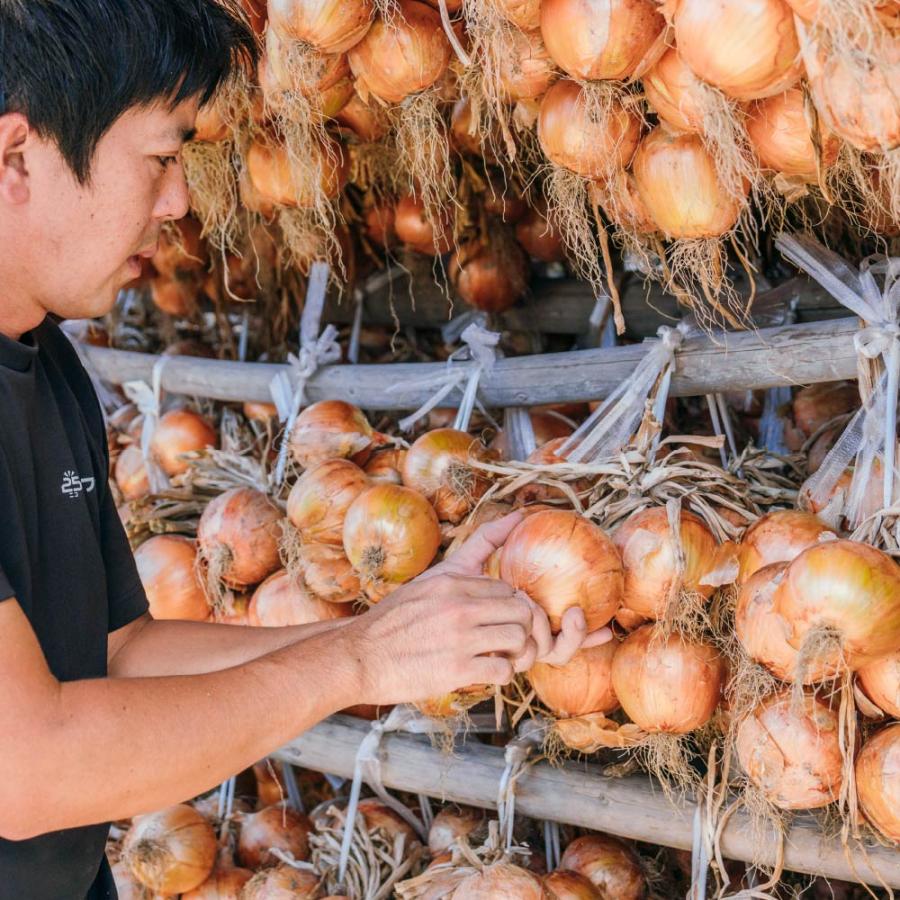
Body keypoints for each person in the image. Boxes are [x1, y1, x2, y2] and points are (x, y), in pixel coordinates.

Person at [0, 1, 614, 897]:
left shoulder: (47, 366)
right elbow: (29, 768)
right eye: (162, 157)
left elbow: (122, 654)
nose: (178, 202)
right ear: (16, 156)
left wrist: (398, 634)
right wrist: (361, 662)